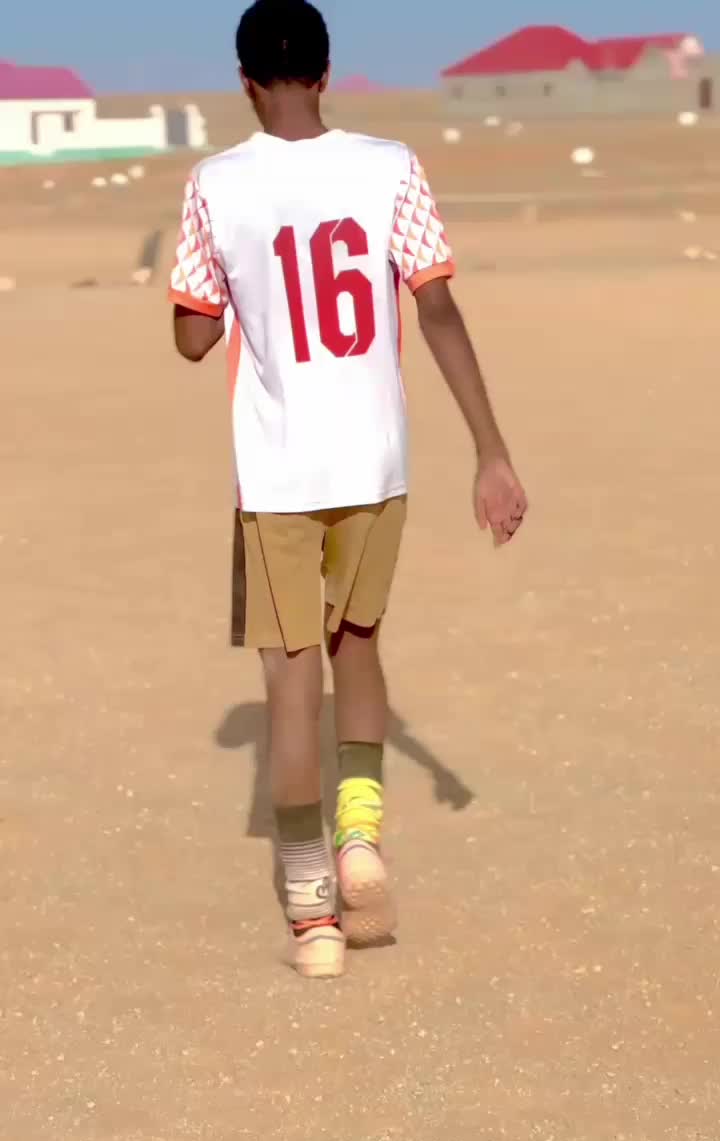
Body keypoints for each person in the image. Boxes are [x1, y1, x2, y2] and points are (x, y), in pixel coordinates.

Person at [168, 0, 528, 979]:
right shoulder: (390, 165)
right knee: (357, 644)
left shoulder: (215, 183)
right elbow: (438, 307)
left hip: (277, 474)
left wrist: (221, 297)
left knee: (291, 682)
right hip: (377, 463)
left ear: (245, 80)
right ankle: (360, 833)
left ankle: (311, 912)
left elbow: (194, 335)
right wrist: (491, 449)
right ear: (327, 73)